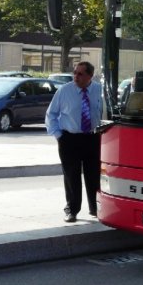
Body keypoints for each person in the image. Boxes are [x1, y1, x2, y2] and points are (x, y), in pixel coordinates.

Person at [45, 61, 102, 223]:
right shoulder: (65, 91)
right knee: (72, 176)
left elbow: (105, 112)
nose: (76, 77)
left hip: (92, 138)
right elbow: (51, 114)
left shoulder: (99, 90)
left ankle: (95, 208)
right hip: (69, 139)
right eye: (75, 73)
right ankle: (72, 210)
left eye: (80, 74)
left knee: (93, 175)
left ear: (90, 76)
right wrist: (58, 135)